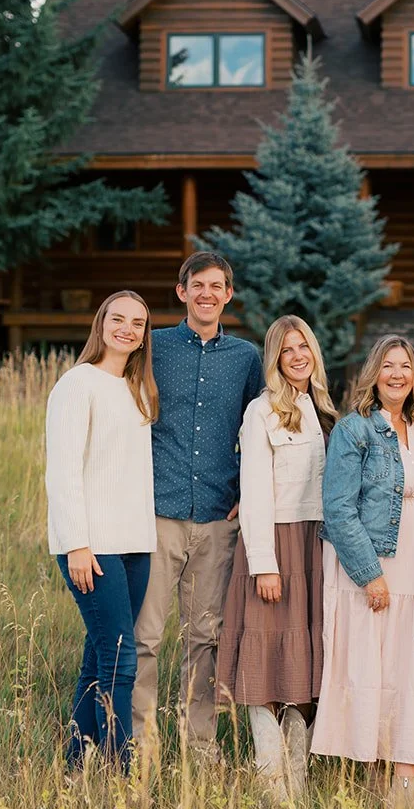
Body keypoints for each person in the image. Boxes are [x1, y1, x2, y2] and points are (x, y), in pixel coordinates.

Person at [313, 335, 414, 809]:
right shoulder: (355, 430)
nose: (397, 374)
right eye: (388, 366)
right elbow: (336, 507)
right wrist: (369, 574)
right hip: (377, 567)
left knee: (412, 670)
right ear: (373, 372)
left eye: (406, 366)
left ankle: (406, 787)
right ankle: (387, 784)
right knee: (376, 670)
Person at [132, 252, 264, 757]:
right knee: (145, 639)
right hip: (157, 514)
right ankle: (139, 749)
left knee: (204, 639)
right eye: (198, 285)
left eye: (217, 286)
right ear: (182, 291)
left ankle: (199, 753)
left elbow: (259, 432)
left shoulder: (247, 359)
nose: (207, 293)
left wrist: (248, 495)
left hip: (216, 518)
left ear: (228, 295)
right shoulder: (154, 347)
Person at [216, 316, 337, 802]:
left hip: (317, 543)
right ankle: (271, 786)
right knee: (266, 657)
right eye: (287, 350)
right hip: (275, 543)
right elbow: (255, 491)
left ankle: (299, 780)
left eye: (304, 346)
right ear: (275, 358)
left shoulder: (325, 410)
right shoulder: (261, 411)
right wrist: (264, 562)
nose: (298, 356)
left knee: (305, 662)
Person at [45, 290, 158, 768]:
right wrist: (76, 544)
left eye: (138, 322)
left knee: (100, 655)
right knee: (121, 659)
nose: (127, 328)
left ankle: (76, 763)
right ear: (101, 323)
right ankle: (119, 771)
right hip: (92, 547)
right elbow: (63, 470)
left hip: (135, 544)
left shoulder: (138, 390)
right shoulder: (78, 383)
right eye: (118, 319)